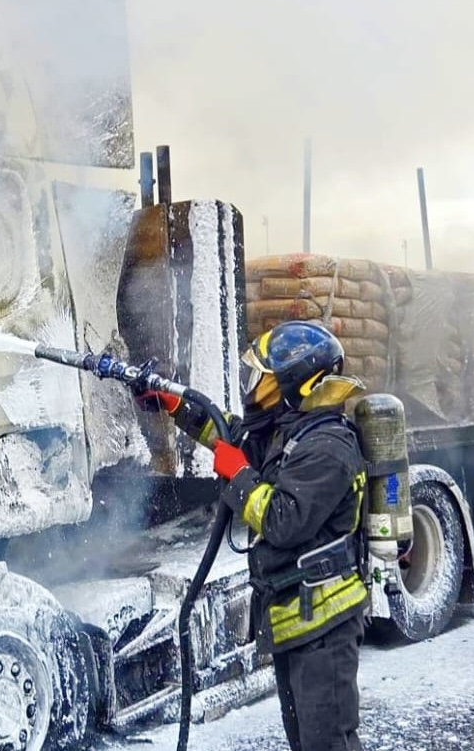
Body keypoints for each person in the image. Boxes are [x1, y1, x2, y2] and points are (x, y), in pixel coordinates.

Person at [136, 320, 370, 751]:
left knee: (327, 743)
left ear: (298, 384)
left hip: (325, 626)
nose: (256, 388)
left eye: (265, 380)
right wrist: (174, 403)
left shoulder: (328, 447)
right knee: (305, 742)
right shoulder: (290, 432)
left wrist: (240, 475)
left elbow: (283, 520)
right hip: (296, 619)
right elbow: (228, 434)